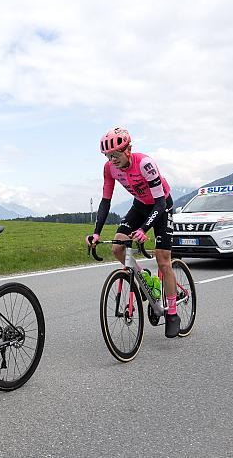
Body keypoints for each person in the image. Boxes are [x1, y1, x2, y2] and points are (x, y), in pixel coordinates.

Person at [86, 127, 180, 338]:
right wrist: (96, 233)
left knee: (163, 259)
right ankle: (145, 278)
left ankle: (172, 313)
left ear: (128, 149)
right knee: (118, 247)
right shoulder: (109, 168)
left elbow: (160, 202)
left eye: (116, 154)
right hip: (140, 206)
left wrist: (143, 229)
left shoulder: (145, 164)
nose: (112, 159)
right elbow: (105, 201)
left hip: (161, 206)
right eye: (108, 156)